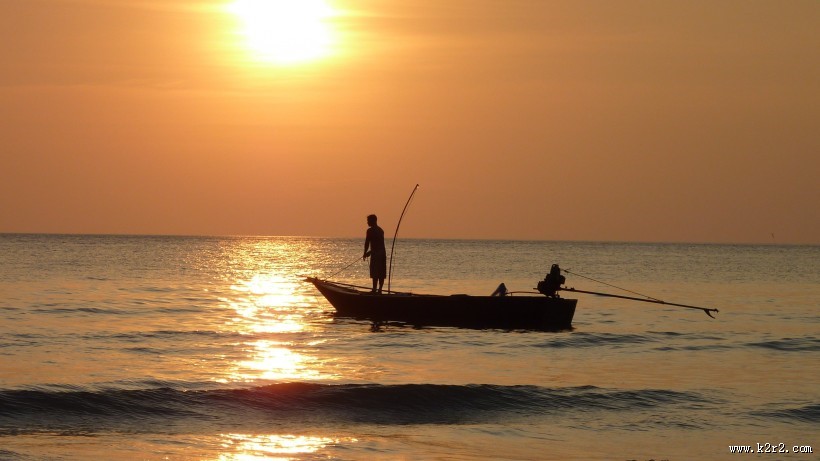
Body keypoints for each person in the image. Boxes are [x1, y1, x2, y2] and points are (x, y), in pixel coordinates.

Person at [362, 214, 386, 293]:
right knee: (381, 273)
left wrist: (365, 253)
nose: (367, 222)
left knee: (375, 273)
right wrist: (369, 252)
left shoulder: (370, 231)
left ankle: (374, 289)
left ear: (373, 221)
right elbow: (380, 244)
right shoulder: (381, 230)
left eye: (368, 221)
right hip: (382, 253)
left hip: (376, 254)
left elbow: (367, 243)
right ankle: (379, 290)